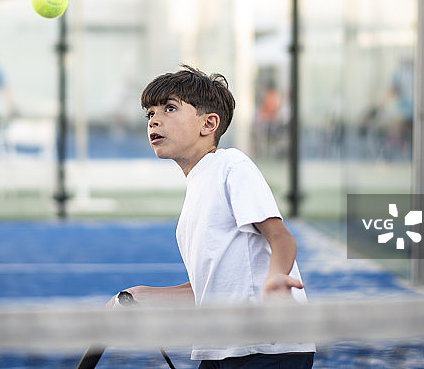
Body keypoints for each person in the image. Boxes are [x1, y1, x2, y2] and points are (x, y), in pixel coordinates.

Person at [110, 65, 316, 368]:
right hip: (219, 348)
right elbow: (212, 287)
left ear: (209, 124)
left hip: (268, 345)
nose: (154, 119)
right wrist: (140, 295)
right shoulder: (195, 192)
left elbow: (280, 236)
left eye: (169, 108)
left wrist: (275, 278)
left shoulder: (231, 165)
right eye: (150, 114)